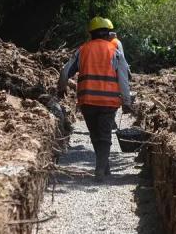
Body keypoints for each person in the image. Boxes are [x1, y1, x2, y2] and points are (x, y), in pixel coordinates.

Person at [57, 16, 133, 178]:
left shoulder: (82, 50)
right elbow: (123, 78)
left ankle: (103, 167)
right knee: (105, 134)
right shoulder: (115, 51)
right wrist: (126, 101)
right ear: (107, 34)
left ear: (91, 34)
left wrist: (61, 88)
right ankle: (100, 168)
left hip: (87, 101)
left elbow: (65, 71)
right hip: (109, 102)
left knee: (95, 134)